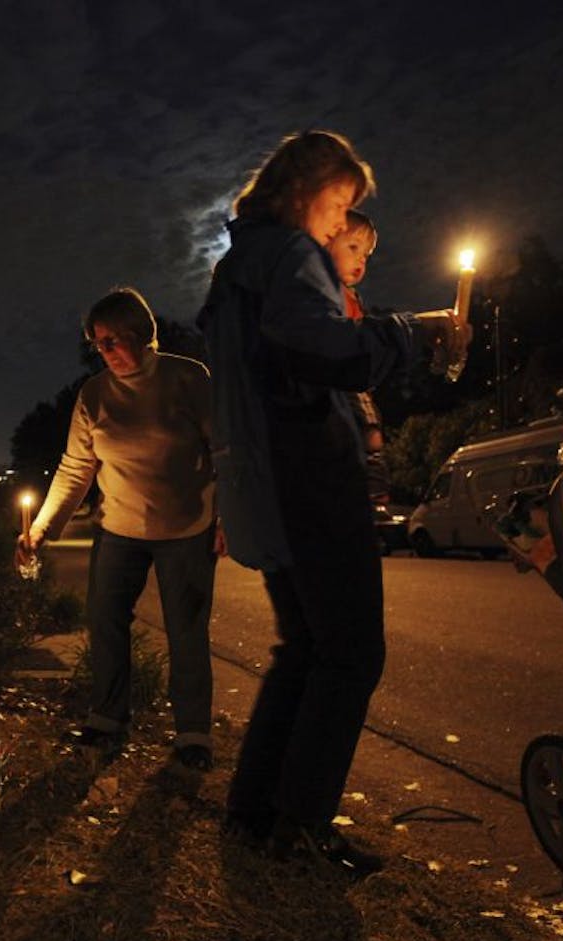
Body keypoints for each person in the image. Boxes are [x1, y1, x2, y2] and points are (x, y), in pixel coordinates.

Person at [196, 130, 469, 873]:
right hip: (310, 477)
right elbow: (319, 348)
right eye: (339, 201)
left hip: (263, 483)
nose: (339, 221)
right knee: (349, 652)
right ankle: (302, 826)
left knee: (305, 649)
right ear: (302, 191)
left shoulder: (235, 270)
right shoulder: (289, 254)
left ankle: (255, 809)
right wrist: (415, 335)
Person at [16, 287, 223, 771]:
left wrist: (228, 517)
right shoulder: (93, 395)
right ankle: (107, 718)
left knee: (186, 631)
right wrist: (41, 531)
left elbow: (226, 451)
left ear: (143, 335)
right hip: (119, 527)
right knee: (106, 620)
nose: (106, 352)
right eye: (98, 344)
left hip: (185, 527)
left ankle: (193, 733)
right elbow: (74, 469)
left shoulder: (188, 378)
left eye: (114, 340)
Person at [327, 210, 392, 506]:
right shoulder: (324, 292)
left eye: (365, 254)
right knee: (362, 429)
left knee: (371, 429)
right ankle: (369, 481)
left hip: (356, 378)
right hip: (338, 378)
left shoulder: (352, 296)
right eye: (352, 248)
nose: (361, 259)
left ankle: (375, 482)